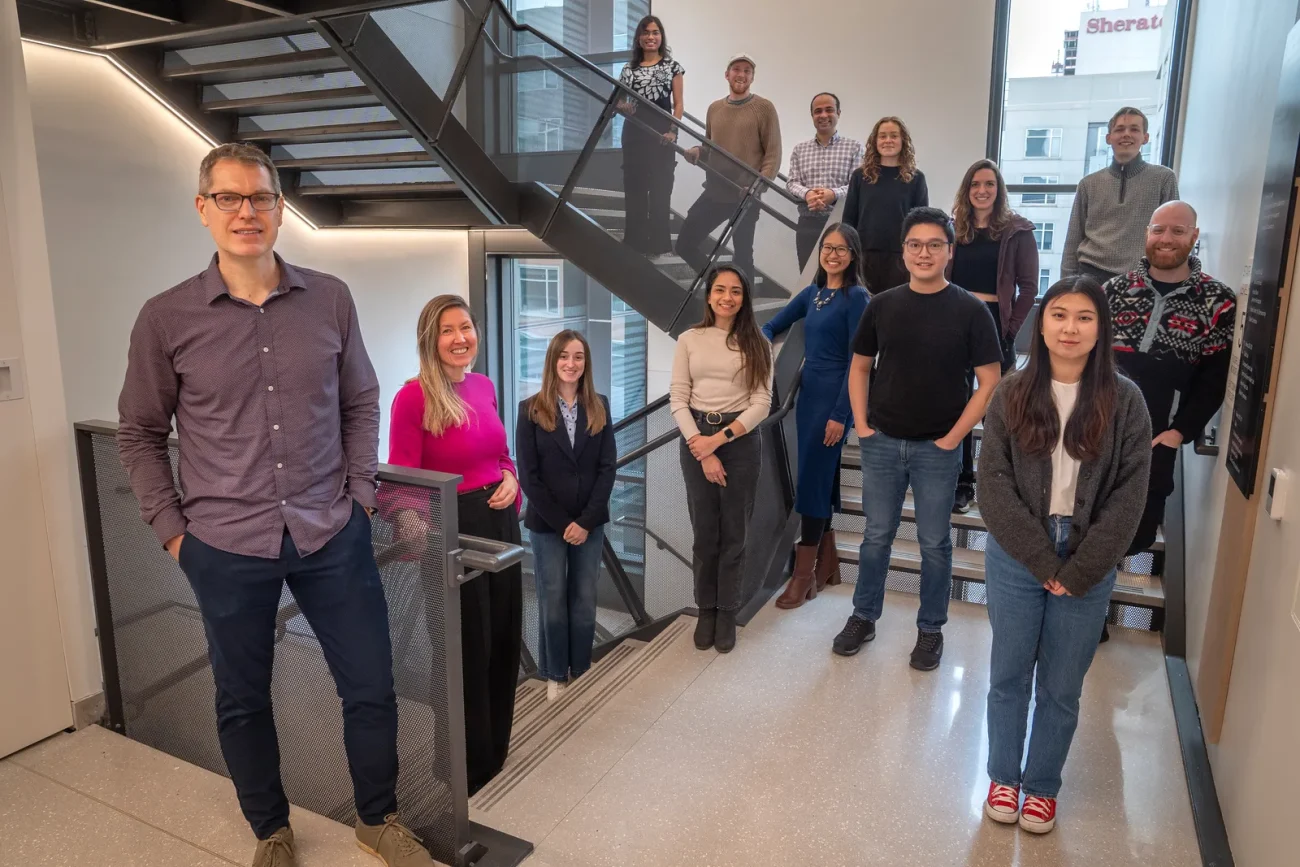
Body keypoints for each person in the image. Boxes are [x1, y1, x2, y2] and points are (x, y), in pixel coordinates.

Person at [117, 143, 432, 867]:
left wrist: (358, 497)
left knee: (371, 683)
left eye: (259, 197)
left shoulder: (330, 298)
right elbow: (138, 432)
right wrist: (175, 536)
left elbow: (360, 399)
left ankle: (377, 818)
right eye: (228, 198)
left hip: (332, 531)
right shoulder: (165, 319)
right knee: (242, 697)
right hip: (223, 545)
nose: (246, 212)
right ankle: (271, 828)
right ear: (204, 209)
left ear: (281, 209)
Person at [978, 276, 1152, 835]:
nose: (1069, 328)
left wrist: (1077, 569)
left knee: (1062, 684)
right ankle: (1004, 776)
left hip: (1087, 558)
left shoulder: (1125, 399)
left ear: (1100, 328)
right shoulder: (1011, 391)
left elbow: (1129, 495)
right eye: (1059, 315)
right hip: (1016, 553)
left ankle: (1042, 787)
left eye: (1083, 317)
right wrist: (1041, 562)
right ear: (1041, 321)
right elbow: (993, 483)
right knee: (1008, 673)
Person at [834, 207, 1003, 669]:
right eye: (915, 245)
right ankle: (863, 616)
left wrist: (952, 440)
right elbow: (860, 367)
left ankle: (930, 630)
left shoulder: (970, 310)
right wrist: (863, 426)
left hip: (938, 449)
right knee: (876, 537)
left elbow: (990, 380)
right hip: (883, 441)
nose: (923, 252)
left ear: (949, 252)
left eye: (934, 245)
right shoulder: (882, 305)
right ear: (904, 252)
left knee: (934, 542)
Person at [385, 295, 523, 797]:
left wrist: (512, 478)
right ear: (430, 339)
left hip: (500, 519)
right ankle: (462, 768)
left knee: (505, 636)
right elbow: (401, 478)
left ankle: (494, 754)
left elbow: (501, 455)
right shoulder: (413, 398)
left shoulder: (483, 386)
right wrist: (410, 521)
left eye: (466, 327)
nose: (461, 337)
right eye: (448, 330)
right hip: (451, 526)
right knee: (464, 648)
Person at [1107, 201, 1235, 557]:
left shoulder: (1218, 301)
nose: (1166, 239)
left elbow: (1215, 378)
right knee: (1083, 532)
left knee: (1134, 539)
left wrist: (1180, 433)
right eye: (1159, 229)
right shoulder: (1112, 292)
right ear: (1147, 233)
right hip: (1097, 434)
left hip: (1156, 443)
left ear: (1194, 236)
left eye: (1178, 231)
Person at [763, 223, 870, 607]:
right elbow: (773, 325)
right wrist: (753, 341)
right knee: (819, 478)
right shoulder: (813, 294)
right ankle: (827, 563)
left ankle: (803, 575)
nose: (833, 254)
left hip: (834, 403)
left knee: (811, 482)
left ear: (853, 255)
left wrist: (842, 415)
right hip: (808, 399)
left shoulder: (856, 297)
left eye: (842, 249)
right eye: (828, 247)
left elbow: (861, 361)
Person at [671, 265, 774, 653]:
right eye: (719, 290)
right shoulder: (689, 339)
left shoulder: (757, 342)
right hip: (695, 437)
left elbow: (761, 403)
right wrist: (701, 444)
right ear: (708, 295)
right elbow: (678, 397)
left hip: (740, 442)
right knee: (705, 534)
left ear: (744, 298)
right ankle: (707, 609)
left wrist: (720, 441)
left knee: (734, 533)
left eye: (735, 291)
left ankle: (728, 610)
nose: (726, 297)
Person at [515, 331, 617, 702]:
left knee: (585, 597)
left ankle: (581, 666)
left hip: (590, 522)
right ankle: (555, 671)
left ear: (586, 363)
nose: (571, 364)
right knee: (553, 596)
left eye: (578, 357)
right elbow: (529, 477)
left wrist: (585, 522)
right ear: (552, 361)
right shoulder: (530, 410)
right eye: (563, 356)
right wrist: (564, 524)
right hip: (548, 524)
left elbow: (608, 469)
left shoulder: (600, 405)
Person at [949, 159, 1040, 513]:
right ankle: (962, 482)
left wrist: (1011, 330)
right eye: (975, 184)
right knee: (958, 403)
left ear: (998, 190)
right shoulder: (955, 228)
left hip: (993, 323)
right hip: (955, 320)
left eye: (989, 184)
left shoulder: (1018, 231)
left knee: (997, 409)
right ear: (967, 190)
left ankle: (1000, 484)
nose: (982, 190)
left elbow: (1029, 287)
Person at [676, 53, 781, 281]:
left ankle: (745, 312)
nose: (741, 74)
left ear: (752, 77)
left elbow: (773, 154)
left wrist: (757, 187)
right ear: (727, 75)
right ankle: (720, 285)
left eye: (747, 71)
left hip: (745, 196)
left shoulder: (764, 108)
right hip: (715, 192)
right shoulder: (715, 108)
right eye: (736, 69)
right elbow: (708, 146)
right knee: (684, 244)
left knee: (743, 257)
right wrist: (697, 151)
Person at [1061, 106, 1179, 283]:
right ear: (1109, 138)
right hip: (1092, 274)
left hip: (1142, 277)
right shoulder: (1089, 183)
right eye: (1120, 129)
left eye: (1134, 129)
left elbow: (1173, 236)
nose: (1126, 134)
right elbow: (1073, 237)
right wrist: (1066, 284)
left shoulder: (1163, 179)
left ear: (1145, 137)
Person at [618, 15, 685, 258]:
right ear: (639, 38)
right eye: (646, 32)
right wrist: (622, 106)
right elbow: (619, 101)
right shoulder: (628, 69)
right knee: (635, 187)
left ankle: (659, 244)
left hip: (661, 133)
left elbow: (678, 105)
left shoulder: (672, 67)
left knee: (660, 188)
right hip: (634, 132)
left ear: (661, 37)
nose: (650, 37)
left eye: (655, 32)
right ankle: (634, 242)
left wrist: (673, 131)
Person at [841, 116, 928, 295]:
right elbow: (849, 220)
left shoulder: (916, 178)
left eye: (894, 136)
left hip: (901, 258)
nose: (888, 140)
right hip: (865, 256)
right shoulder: (860, 176)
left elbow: (922, 224)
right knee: (864, 311)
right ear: (875, 141)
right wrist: (849, 254)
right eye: (883, 136)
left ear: (903, 141)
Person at [786, 93, 864, 271]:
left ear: (838, 113)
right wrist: (808, 194)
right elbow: (792, 183)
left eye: (829, 110)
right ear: (812, 115)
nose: (823, 115)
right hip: (808, 223)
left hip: (842, 224)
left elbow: (857, 184)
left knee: (841, 277)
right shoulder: (800, 149)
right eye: (817, 111)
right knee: (807, 278)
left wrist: (833, 194)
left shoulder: (854, 147)